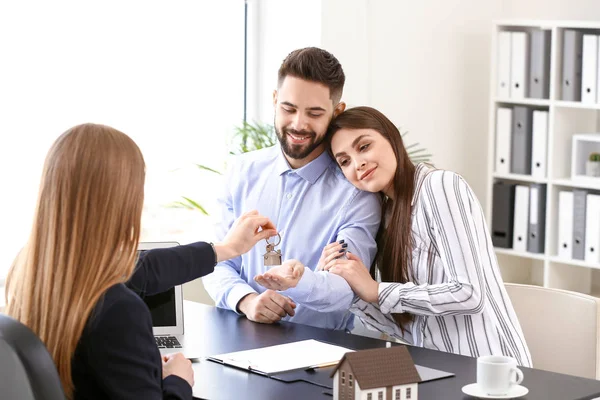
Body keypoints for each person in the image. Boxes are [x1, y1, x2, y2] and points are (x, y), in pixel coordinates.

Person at [5, 123, 277, 400]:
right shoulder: (118, 310)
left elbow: (144, 269)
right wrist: (178, 381)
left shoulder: (30, 271)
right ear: (119, 201)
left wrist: (227, 248)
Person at [258, 106, 532, 367]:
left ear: (392, 137)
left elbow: (469, 294)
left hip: (493, 372)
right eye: (345, 161)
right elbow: (412, 330)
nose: (358, 163)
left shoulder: (440, 186)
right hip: (439, 369)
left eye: (364, 146)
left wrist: (376, 290)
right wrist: (354, 290)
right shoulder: (387, 217)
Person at [203, 48, 381, 330]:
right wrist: (246, 300)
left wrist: (299, 281)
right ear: (275, 100)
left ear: (337, 112)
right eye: (289, 108)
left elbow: (348, 288)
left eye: (314, 113)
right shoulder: (241, 171)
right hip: (236, 341)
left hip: (319, 354)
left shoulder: (357, 192)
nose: (299, 124)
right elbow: (217, 261)